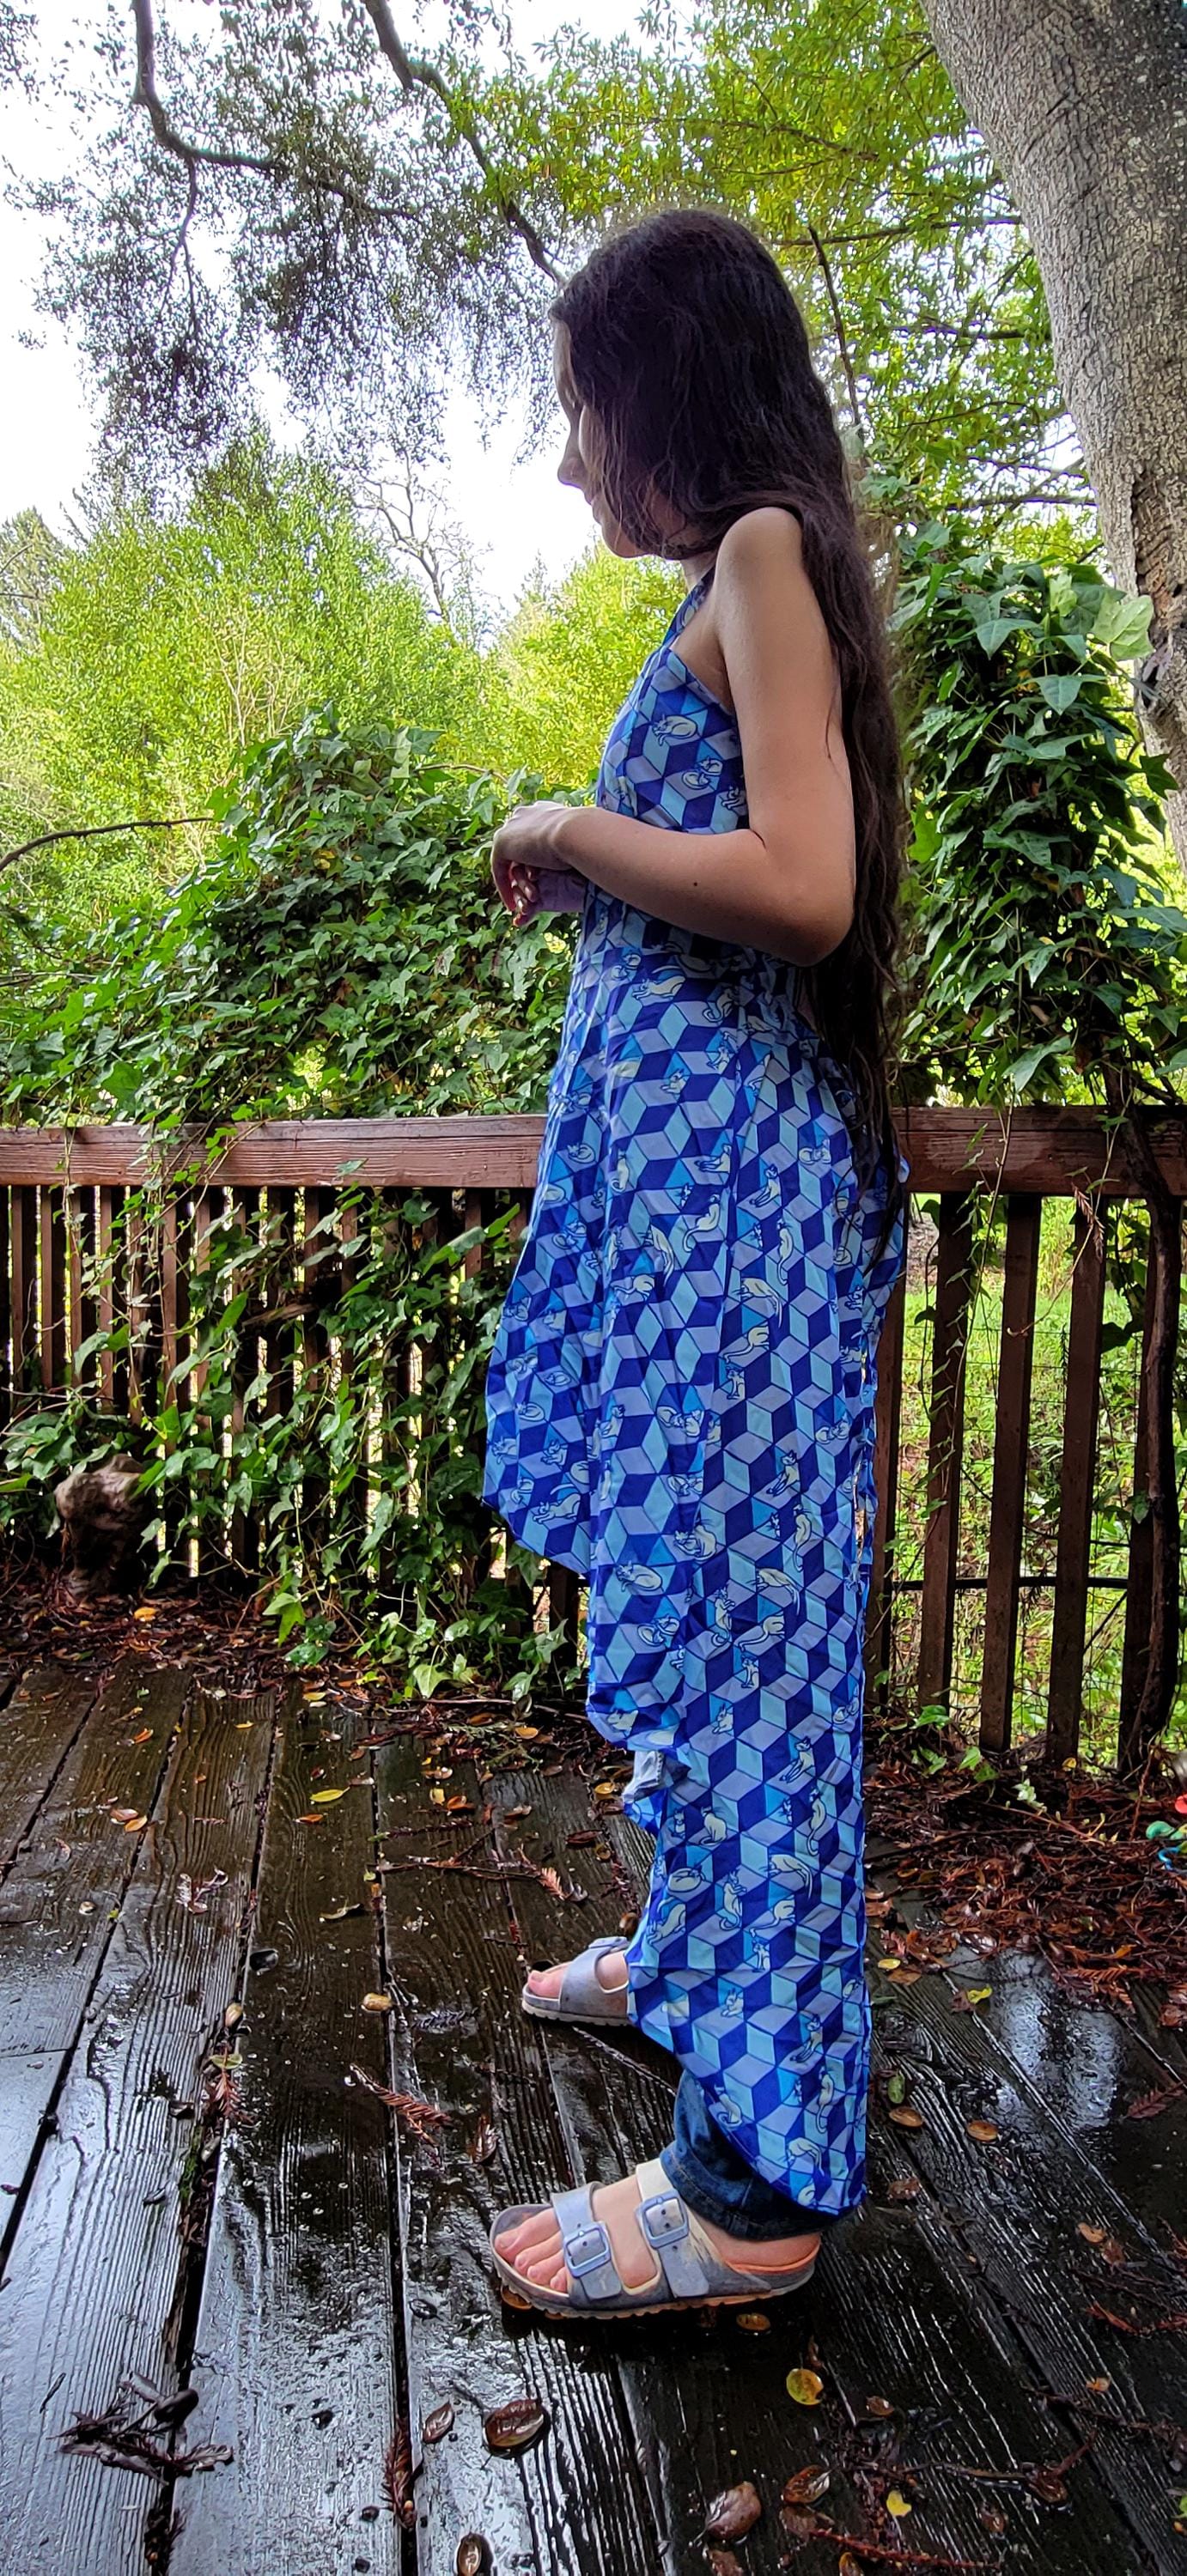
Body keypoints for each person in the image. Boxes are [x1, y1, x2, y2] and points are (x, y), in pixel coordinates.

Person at [482, 208, 907, 2322]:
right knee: (722, 1633)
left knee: (748, 1668)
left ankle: (749, 2192)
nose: (573, 456)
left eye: (584, 407)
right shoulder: (745, 577)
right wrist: (607, 886)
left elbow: (804, 886)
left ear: (671, 387)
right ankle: (692, 1966)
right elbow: (736, 886)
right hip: (702, 1238)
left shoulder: (758, 549)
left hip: (732, 1242)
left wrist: (570, 830)